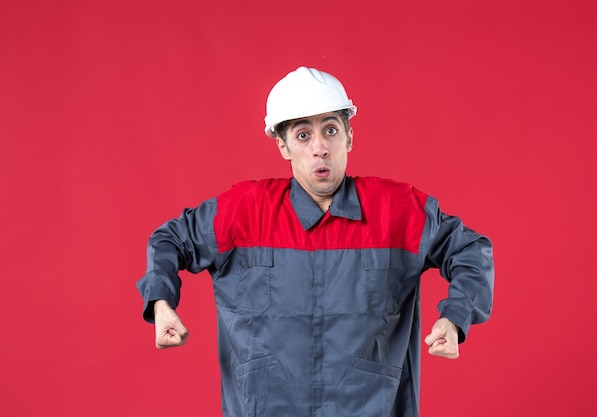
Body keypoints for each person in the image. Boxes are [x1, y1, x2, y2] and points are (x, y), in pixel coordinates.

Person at [136, 66, 494, 417]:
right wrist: (161, 302)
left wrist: (455, 317)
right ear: (283, 146)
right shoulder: (243, 212)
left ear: (349, 137)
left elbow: (469, 249)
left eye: (331, 130)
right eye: (303, 135)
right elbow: (171, 240)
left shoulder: (397, 211)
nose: (320, 147)